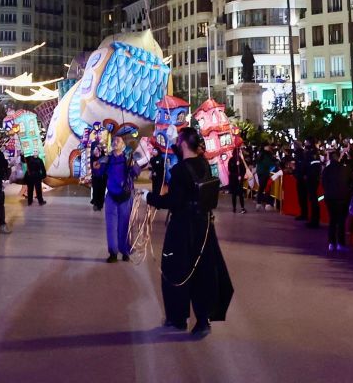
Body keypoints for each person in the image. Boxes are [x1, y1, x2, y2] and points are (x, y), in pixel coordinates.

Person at [147, 126, 233, 338]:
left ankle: (178, 318)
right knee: (202, 271)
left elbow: (173, 201)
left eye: (178, 141)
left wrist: (148, 198)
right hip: (204, 227)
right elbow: (187, 165)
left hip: (183, 228)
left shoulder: (179, 171)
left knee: (175, 269)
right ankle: (203, 321)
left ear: (183, 144)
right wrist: (172, 142)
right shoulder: (203, 164)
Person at [104, 134, 137, 262]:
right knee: (111, 225)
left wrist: (133, 165)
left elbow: (136, 173)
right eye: (113, 140)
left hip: (126, 195)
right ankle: (113, 252)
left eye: (118, 140)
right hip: (111, 195)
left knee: (125, 224)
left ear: (123, 144)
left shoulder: (128, 157)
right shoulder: (107, 158)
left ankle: (125, 251)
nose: (115, 141)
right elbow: (98, 171)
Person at [322, 149, 352, 251]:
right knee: (341, 221)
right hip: (342, 198)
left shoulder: (326, 170)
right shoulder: (345, 169)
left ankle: (331, 243)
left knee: (332, 220)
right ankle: (340, 243)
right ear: (339, 157)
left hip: (330, 197)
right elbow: (350, 182)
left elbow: (324, 183)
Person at [225, 147, 249, 214]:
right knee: (235, 194)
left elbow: (243, 169)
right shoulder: (231, 160)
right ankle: (235, 208)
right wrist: (237, 174)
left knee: (239, 194)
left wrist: (241, 175)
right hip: (234, 179)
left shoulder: (240, 160)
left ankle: (241, 208)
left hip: (238, 179)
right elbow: (230, 169)